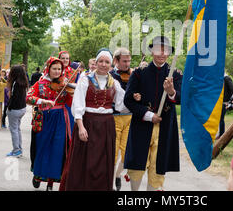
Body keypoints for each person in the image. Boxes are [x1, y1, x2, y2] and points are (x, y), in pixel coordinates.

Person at [60, 48, 125, 191]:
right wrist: (81, 127)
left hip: (106, 126)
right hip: (87, 123)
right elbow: (77, 105)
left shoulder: (114, 83)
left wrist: (136, 98)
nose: (103, 64)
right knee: (84, 163)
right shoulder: (85, 80)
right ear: (95, 63)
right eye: (100, 61)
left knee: (102, 164)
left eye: (106, 62)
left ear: (111, 64)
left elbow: (122, 105)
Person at [123, 36, 182, 191]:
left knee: (158, 165)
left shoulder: (175, 74)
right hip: (142, 125)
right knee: (137, 165)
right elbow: (128, 100)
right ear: (151, 52)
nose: (161, 54)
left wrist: (171, 92)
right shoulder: (139, 73)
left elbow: (182, 98)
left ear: (169, 53)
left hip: (165, 127)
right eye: (158, 50)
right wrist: (148, 115)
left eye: (165, 50)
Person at [26, 57, 74, 191]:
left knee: (57, 150)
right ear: (48, 69)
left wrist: (74, 94)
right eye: (54, 69)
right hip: (44, 120)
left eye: (60, 69)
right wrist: (43, 101)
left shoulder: (65, 83)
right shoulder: (40, 84)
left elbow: (71, 103)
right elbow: (28, 98)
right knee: (42, 148)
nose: (57, 72)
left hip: (61, 120)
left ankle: (51, 183)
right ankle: (38, 174)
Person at [110, 47, 133, 191]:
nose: (127, 64)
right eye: (124, 61)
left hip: (130, 117)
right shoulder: (110, 75)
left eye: (129, 61)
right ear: (116, 61)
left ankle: (117, 175)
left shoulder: (133, 75)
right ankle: (111, 183)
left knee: (126, 155)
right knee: (113, 152)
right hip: (114, 117)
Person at [5, 65, 29, 158]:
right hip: (22, 109)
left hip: (15, 109)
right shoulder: (23, 82)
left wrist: (9, 108)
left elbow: (14, 98)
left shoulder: (15, 83)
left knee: (14, 130)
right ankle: (19, 149)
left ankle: (16, 150)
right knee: (17, 129)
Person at [217, 73, 233, 139]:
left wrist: (229, 101)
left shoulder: (227, 78)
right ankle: (221, 134)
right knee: (220, 119)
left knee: (221, 119)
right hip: (220, 102)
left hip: (225, 103)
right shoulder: (221, 79)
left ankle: (222, 135)